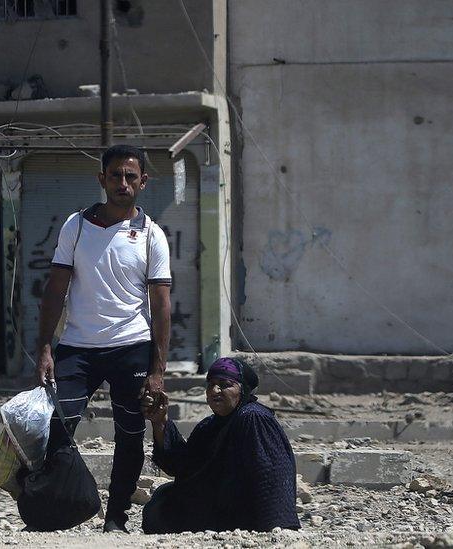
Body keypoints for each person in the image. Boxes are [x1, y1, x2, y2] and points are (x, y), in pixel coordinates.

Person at [35, 144, 172, 533]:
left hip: (131, 347)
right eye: (115, 175)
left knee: (130, 436)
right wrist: (45, 346)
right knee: (57, 428)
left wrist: (157, 370)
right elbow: (55, 288)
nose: (123, 183)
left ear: (143, 182)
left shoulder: (151, 235)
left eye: (131, 177)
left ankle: (116, 517)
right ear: (102, 179)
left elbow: (161, 306)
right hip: (77, 348)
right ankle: (60, 508)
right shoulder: (75, 226)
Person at [141, 357, 301, 533]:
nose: (215, 390)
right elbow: (183, 467)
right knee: (163, 499)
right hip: (216, 508)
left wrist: (278, 527)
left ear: (242, 389)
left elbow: (271, 475)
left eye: (224, 384)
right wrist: (160, 422)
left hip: (243, 515)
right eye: (210, 385)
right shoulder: (209, 425)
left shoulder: (253, 417)